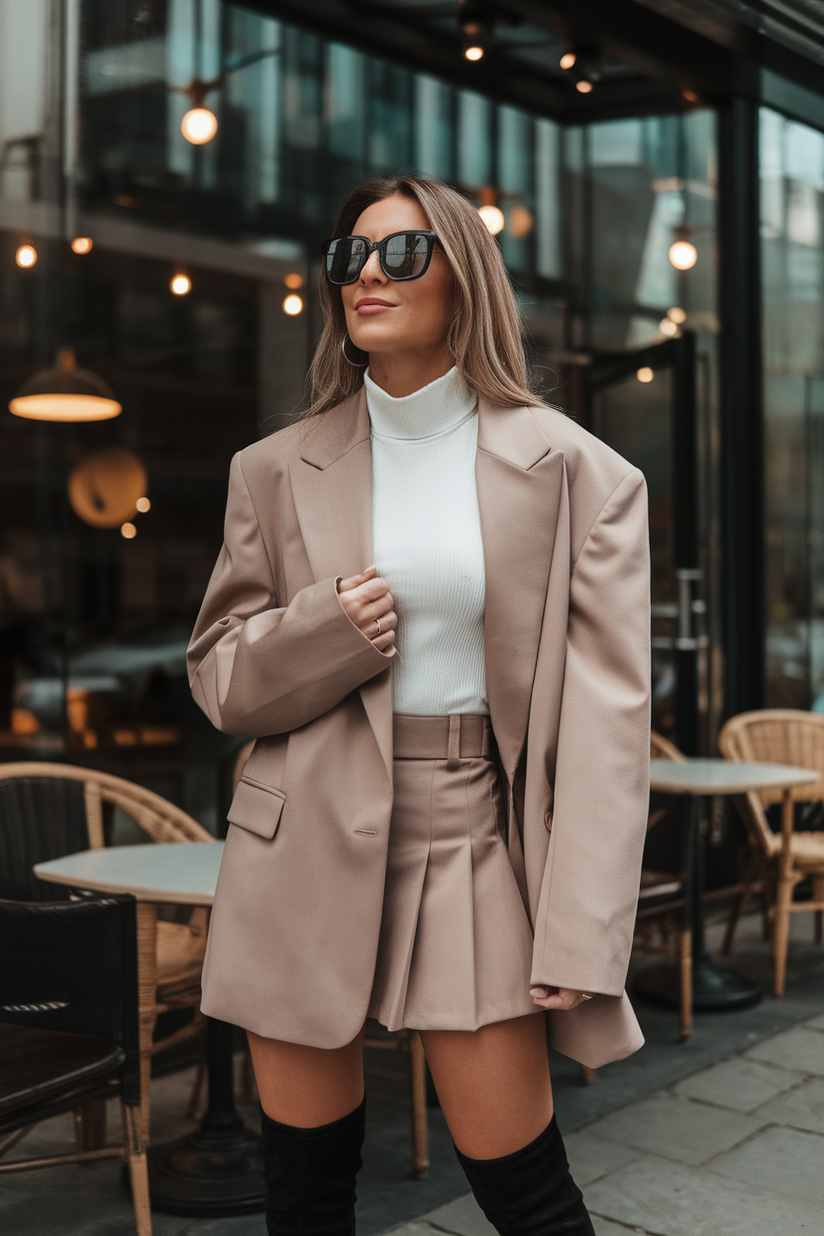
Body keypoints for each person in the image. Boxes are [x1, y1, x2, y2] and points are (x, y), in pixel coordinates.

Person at [187, 174, 651, 1236]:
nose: (369, 278)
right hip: (297, 834)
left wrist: (579, 934)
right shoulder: (270, 470)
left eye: (402, 255)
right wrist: (325, 633)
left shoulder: (579, 473)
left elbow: (605, 730)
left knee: (529, 1197)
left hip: (469, 833)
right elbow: (218, 675)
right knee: (304, 1197)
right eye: (350, 257)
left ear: (463, 277)